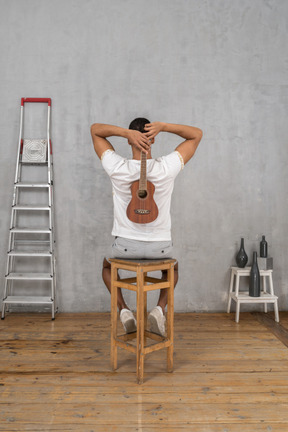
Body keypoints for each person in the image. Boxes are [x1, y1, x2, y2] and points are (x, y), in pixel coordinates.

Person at [91, 119, 202, 336]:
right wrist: (165, 127)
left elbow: (95, 131)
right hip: (160, 247)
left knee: (107, 268)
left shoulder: (117, 167)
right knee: (172, 269)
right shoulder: (166, 167)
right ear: (153, 139)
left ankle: (123, 309)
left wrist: (125, 133)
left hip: (124, 247)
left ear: (130, 139)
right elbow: (196, 134)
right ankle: (159, 309)